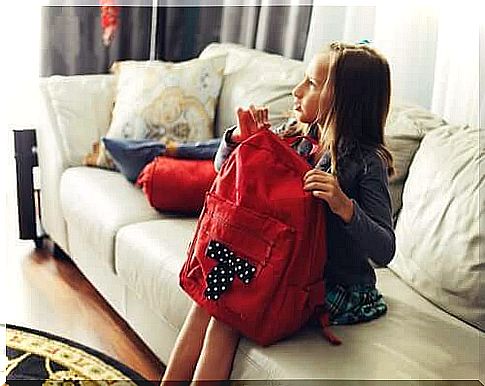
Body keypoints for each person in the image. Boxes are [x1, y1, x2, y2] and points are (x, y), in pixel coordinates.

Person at [160, 40, 396, 385]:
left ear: (344, 101)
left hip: (336, 288)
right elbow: (224, 170)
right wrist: (242, 140)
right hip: (285, 267)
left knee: (227, 312)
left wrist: (345, 208)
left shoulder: (366, 162)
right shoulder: (297, 140)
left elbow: (385, 248)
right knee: (209, 297)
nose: (297, 91)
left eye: (312, 84)